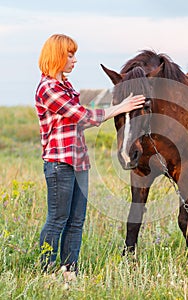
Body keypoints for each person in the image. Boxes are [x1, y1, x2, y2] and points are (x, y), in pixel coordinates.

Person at [35, 34, 145, 277]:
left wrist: (117, 105)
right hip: (59, 163)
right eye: (70, 55)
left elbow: (77, 124)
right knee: (57, 219)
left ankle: (69, 270)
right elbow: (82, 116)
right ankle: (46, 271)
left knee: (76, 220)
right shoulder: (48, 89)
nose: (74, 60)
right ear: (57, 57)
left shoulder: (66, 87)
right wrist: (119, 107)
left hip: (79, 161)